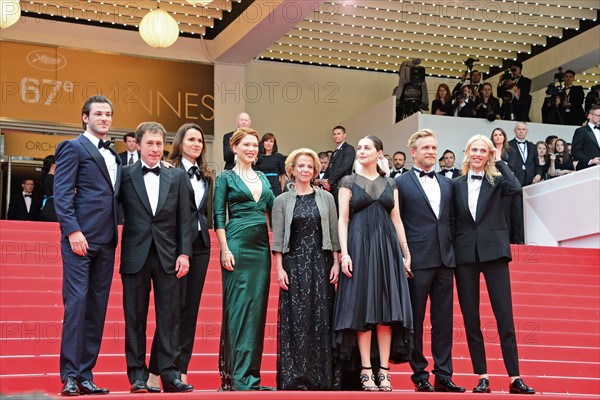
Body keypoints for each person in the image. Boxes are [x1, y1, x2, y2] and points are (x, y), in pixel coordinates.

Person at [452, 134, 535, 395]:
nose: (477, 154)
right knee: (471, 318)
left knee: (504, 316)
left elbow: (516, 189)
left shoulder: (498, 181)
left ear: (489, 155)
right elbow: (452, 220)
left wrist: (500, 162)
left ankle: (514, 377)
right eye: (473, 150)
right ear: (466, 153)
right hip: (465, 256)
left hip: (495, 254)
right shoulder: (454, 184)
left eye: (483, 150)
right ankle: (482, 376)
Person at [334, 135, 413, 392]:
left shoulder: (390, 183)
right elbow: (342, 220)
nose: (361, 151)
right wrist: (344, 254)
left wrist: (405, 253)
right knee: (362, 307)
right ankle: (366, 370)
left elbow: (397, 220)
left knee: (386, 310)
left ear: (380, 153)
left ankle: (384, 371)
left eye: (367, 147)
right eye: (358, 147)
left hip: (387, 249)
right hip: (359, 247)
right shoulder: (347, 181)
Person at [54, 95, 120, 396]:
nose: (104, 119)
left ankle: (86, 375)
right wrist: (72, 232)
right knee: (77, 305)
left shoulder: (114, 155)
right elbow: (62, 194)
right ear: (85, 117)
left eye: (108, 114)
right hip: (80, 240)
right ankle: (68, 375)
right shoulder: (72, 147)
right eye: (98, 114)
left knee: (96, 309)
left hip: (107, 241)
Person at [119, 122, 192, 394]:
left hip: (168, 256)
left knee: (170, 318)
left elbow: (184, 218)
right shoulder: (124, 175)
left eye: (159, 144)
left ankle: (170, 375)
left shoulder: (177, 177)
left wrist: (184, 253)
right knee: (134, 318)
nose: (155, 148)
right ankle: (137, 376)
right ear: (138, 145)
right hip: (135, 255)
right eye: (149, 143)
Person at [395, 129, 465, 393]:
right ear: (413, 152)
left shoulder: (448, 183)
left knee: (443, 321)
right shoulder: (400, 183)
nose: (431, 152)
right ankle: (420, 374)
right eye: (425, 148)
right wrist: (403, 255)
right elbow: (397, 221)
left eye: (434, 148)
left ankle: (444, 374)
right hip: (417, 260)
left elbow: (451, 221)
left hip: (446, 259)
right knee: (416, 319)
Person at [146, 123, 213, 391]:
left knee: (190, 312)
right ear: (180, 143)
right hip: (173, 248)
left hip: (200, 246)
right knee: (171, 311)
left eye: (200, 140)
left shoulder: (206, 175)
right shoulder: (167, 170)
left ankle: (181, 370)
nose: (196, 144)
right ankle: (156, 371)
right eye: (191, 139)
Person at [271, 148, 340, 390]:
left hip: (321, 263)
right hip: (294, 264)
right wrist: (279, 268)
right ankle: (295, 377)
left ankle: (321, 377)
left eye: (310, 167)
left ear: (315, 171)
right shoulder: (281, 200)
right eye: (301, 166)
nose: (305, 170)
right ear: (292, 169)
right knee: (296, 320)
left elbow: (333, 232)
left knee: (321, 318)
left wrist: (337, 263)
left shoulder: (326, 198)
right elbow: (278, 239)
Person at [213, 128, 275, 391]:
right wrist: (224, 249)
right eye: (247, 144)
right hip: (236, 244)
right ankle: (237, 377)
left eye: (255, 145)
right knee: (238, 310)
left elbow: (276, 208)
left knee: (256, 311)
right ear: (234, 147)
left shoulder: (263, 177)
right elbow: (218, 216)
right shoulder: (225, 177)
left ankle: (252, 377)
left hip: (261, 247)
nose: (252, 149)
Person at [507, 122, 542, 244]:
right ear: (514, 130)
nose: (521, 131)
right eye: (519, 129)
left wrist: (538, 175)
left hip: (530, 184)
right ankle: (518, 240)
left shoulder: (532, 146)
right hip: (515, 183)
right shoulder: (509, 145)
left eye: (523, 129)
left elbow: (537, 165)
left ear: (526, 131)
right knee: (516, 212)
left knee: (529, 212)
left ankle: (529, 238)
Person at [322, 126, 356, 206]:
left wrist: (330, 180)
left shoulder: (349, 149)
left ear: (344, 135)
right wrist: (324, 180)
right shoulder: (334, 152)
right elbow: (330, 168)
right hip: (333, 187)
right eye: (334, 134)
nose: (336, 136)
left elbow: (344, 167)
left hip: (342, 186)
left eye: (338, 134)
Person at [571, 104, 600, 170]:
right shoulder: (581, 131)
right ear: (589, 116)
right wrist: (590, 161)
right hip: (587, 169)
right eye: (598, 116)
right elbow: (575, 151)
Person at [39, 155, 58, 222]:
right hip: (52, 209)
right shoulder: (50, 178)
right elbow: (58, 191)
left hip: (50, 207)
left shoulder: (46, 177)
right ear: (53, 164)